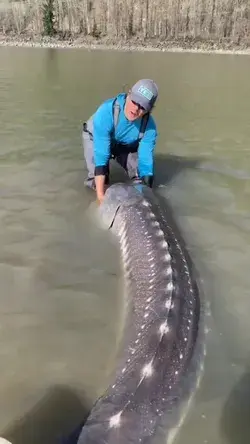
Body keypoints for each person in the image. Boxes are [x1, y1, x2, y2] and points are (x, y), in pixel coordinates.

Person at [82, 79, 158, 205]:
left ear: (149, 110)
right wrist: (100, 198)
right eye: (134, 102)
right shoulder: (106, 112)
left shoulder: (150, 127)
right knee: (98, 183)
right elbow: (101, 157)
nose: (135, 109)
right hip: (95, 137)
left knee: (140, 179)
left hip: (124, 144)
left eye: (142, 107)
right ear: (129, 94)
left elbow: (146, 164)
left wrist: (146, 199)